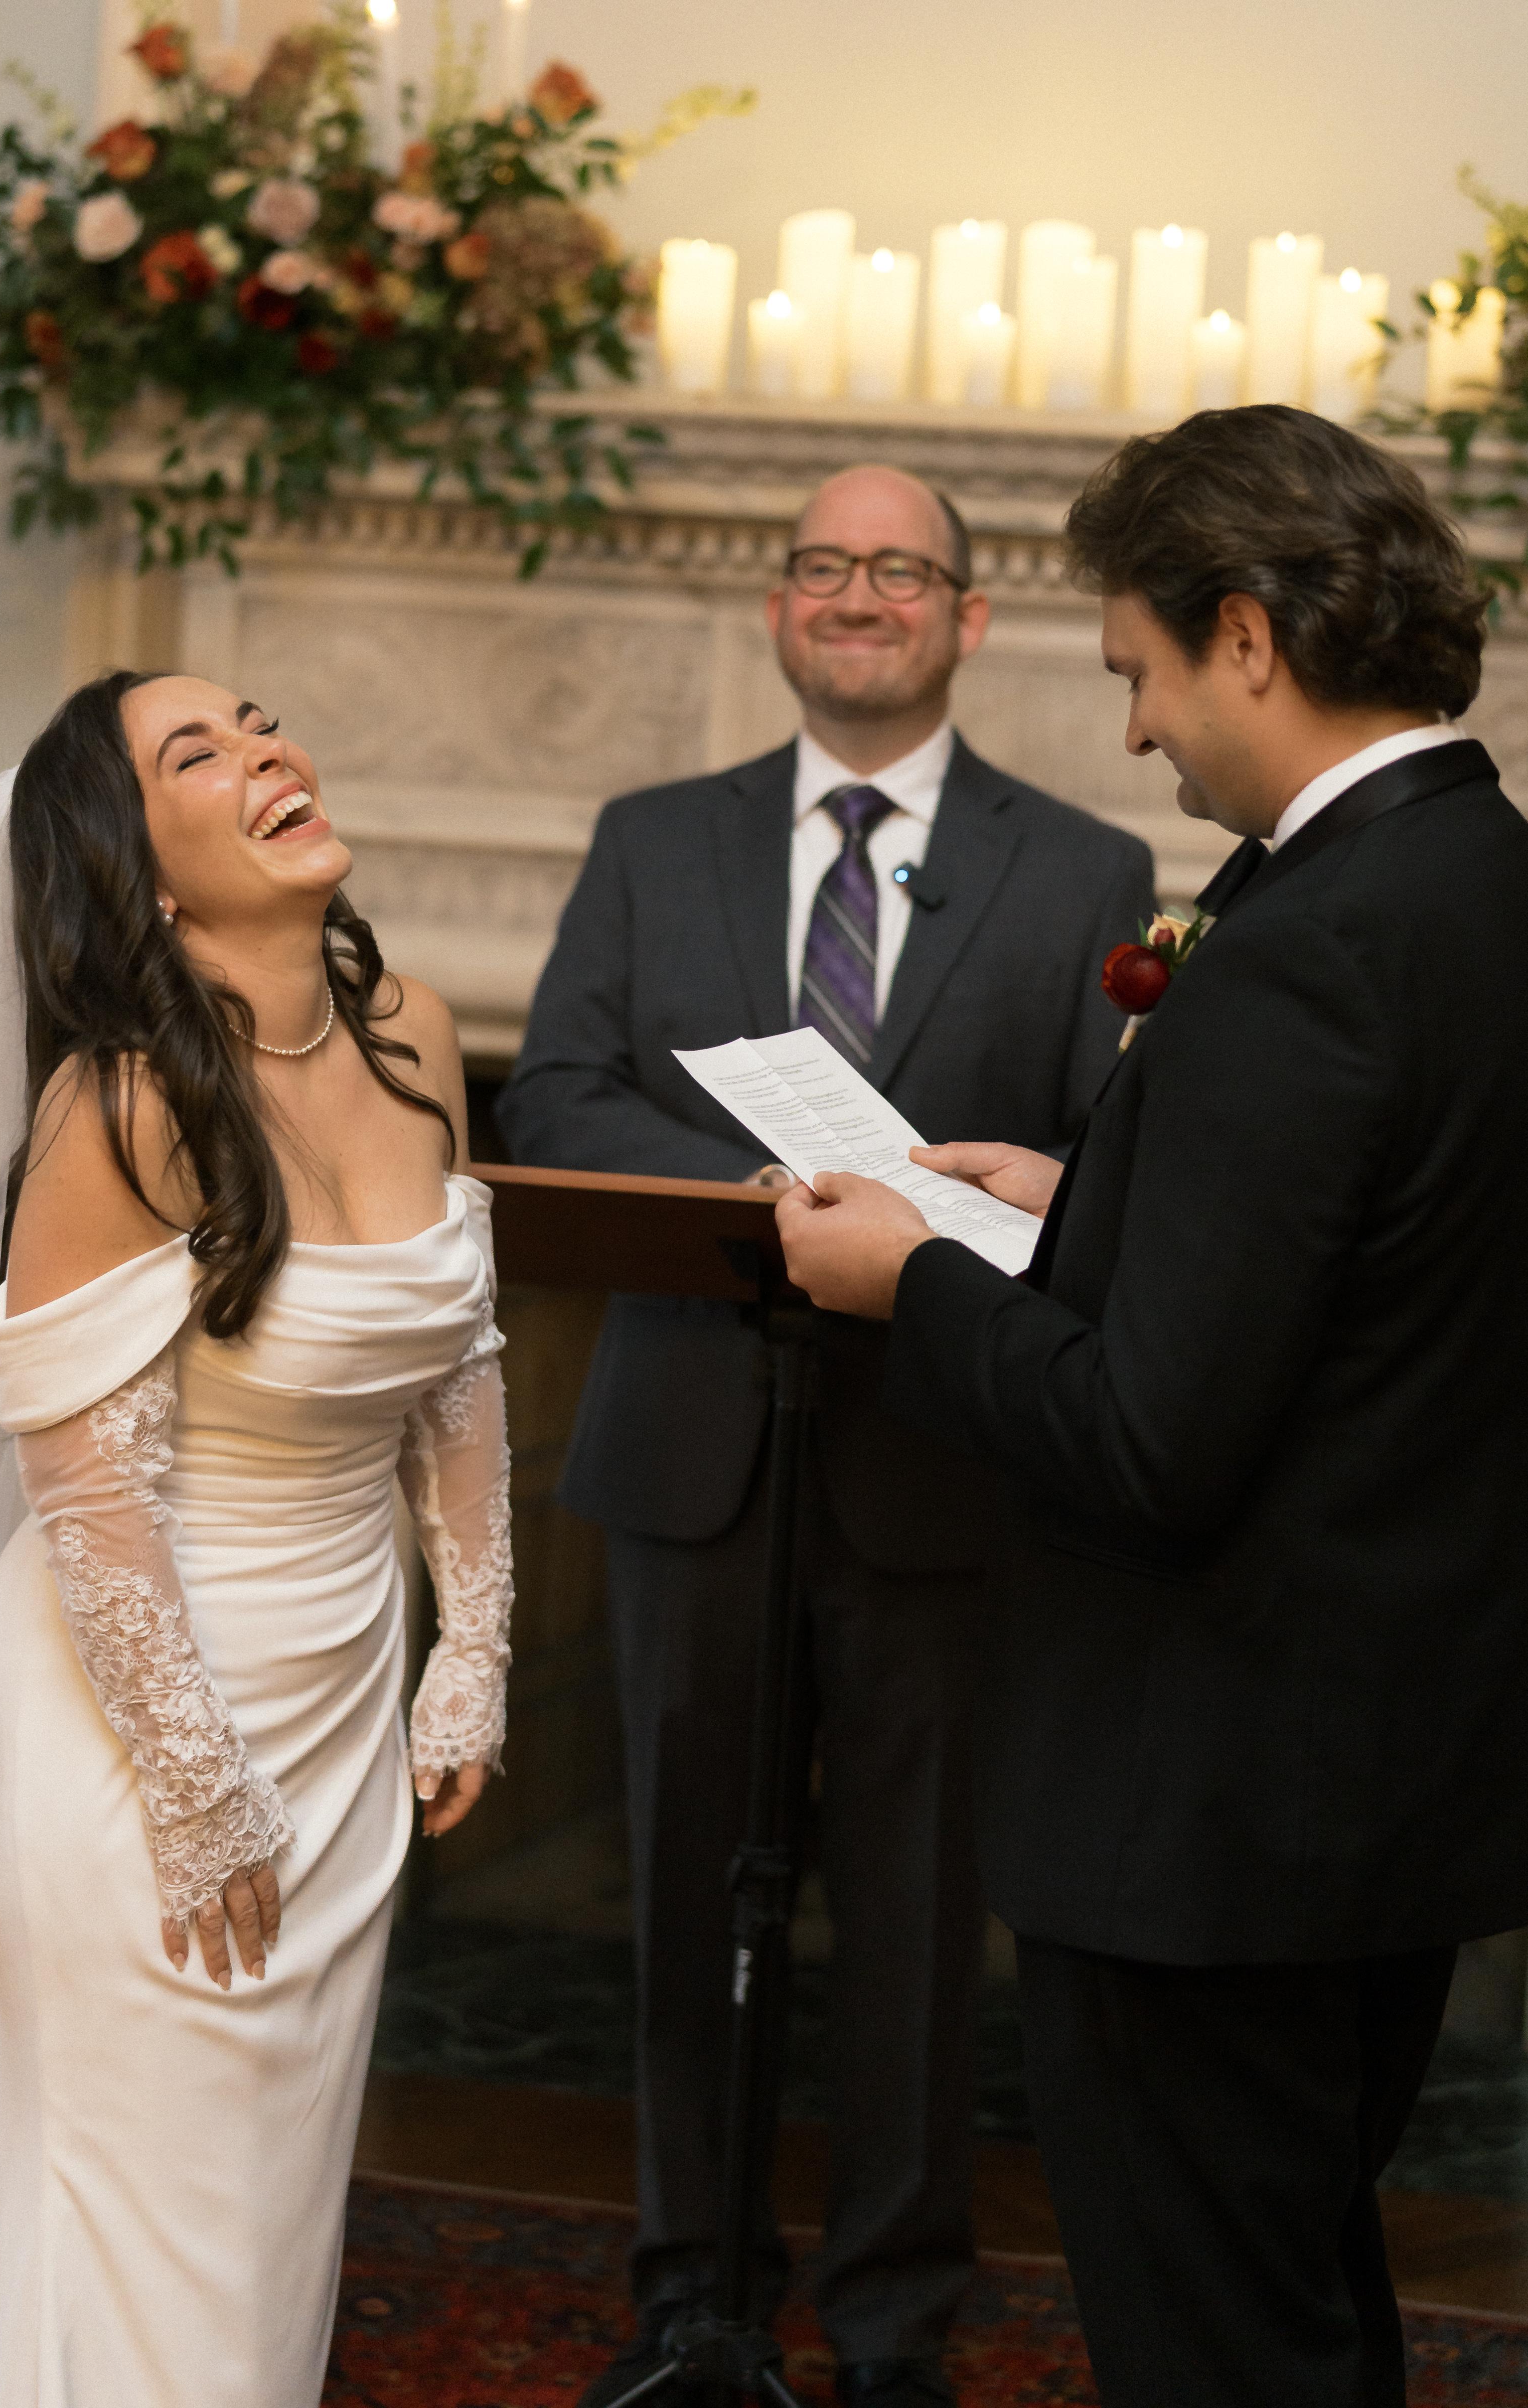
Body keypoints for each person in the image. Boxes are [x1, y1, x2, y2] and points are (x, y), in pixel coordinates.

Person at [775, 406, 1528, 2408]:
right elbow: (1383, 1279)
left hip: (1211, 1816)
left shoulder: (1308, 946)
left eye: (1140, 671)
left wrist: (916, 1278)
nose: (1135, 734)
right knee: (1304, 2311)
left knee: (1222, 2350)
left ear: (1248, 636)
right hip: (1391, 1779)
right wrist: (1088, 1206)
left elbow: (1147, 1442)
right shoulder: (1490, 884)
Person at [0, 672, 513, 2408]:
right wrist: (194, 1781)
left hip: (339, 1716)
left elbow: (455, 1361)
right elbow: (89, 1499)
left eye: (259, 723)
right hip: (131, 1730)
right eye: (198, 755)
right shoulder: (121, 1107)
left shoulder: (416, 1034)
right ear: (143, 873)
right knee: (154, 2243)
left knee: (261, 2241)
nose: (266, 753)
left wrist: (475, 1645)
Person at [500, 465, 1154, 2408]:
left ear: (969, 616)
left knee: (920, 1921)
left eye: (900, 568)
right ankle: (687, 2289)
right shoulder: (651, 837)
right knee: (682, 1892)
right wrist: (763, 1189)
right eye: (821, 565)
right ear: (779, 607)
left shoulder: (1086, 869)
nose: (857, 594)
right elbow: (556, 1090)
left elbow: (1102, 1167)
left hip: (942, 1463)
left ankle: (891, 2324)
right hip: (688, 1452)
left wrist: (928, 1216)